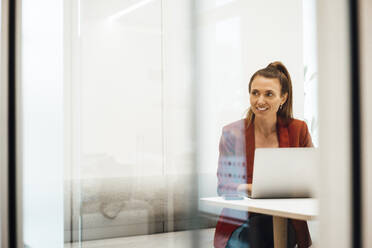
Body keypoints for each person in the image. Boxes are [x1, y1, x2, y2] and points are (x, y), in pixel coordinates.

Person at [214, 61, 313, 248]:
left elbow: (313, 177)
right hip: (242, 221)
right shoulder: (233, 134)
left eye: (269, 94)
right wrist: (252, 188)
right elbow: (224, 186)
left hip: (286, 220)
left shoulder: (298, 130)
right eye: (255, 93)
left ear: (283, 98)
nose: (260, 101)